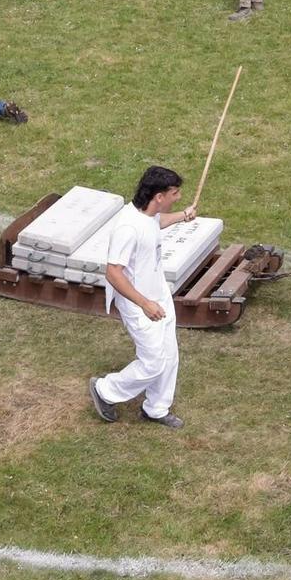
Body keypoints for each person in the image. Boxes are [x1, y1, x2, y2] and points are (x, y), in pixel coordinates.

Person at [88, 166, 196, 430]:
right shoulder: (127, 228)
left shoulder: (148, 216)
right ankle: (105, 390)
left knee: (169, 355)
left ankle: (156, 408)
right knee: (153, 363)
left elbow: (156, 223)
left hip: (159, 295)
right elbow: (113, 273)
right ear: (159, 196)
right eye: (174, 193)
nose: (178, 197)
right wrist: (145, 304)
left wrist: (182, 216)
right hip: (140, 304)